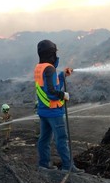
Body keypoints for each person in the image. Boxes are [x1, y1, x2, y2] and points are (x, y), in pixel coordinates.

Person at [34, 39, 84, 174]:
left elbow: (50, 85)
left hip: (43, 111)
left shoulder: (40, 68)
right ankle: (68, 167)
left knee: (44, 139)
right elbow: (52, 91)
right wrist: (63, 95)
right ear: (51, 53)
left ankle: (43, 165)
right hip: (53, 112)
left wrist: (62, 75)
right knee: (61, 139)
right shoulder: (49, 69)